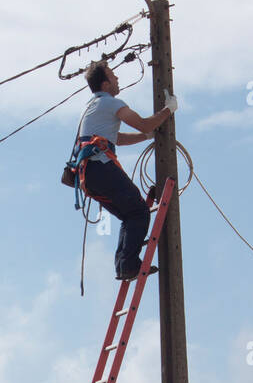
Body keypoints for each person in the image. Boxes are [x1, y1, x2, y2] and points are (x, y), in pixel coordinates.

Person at [75, 59, 177, 280]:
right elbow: (143, 123)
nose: (117, 78)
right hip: (100, 168)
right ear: (104, 84)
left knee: (131, 215)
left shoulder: (90, 107)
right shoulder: (110, 103)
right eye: (113, 75)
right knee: (138, 212)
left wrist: (146, 136)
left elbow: (117, 139)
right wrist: (168, 110)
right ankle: (128, 264)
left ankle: (124, 266)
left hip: (89, 175)